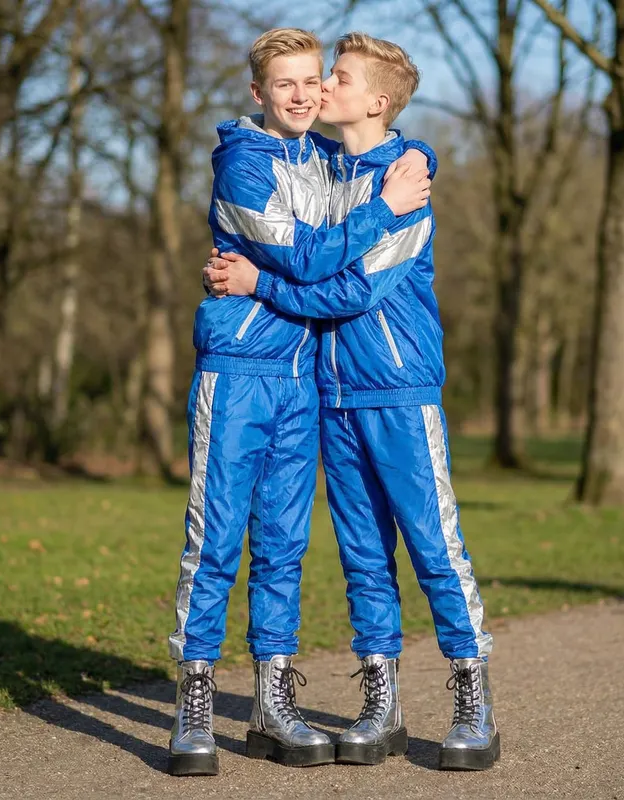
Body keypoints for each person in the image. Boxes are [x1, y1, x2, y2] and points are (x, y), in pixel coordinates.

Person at [205, 32, 500, 772]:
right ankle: (382, 701)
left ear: (375, 101)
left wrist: (258, 284)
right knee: (365, 560)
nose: (321, 86)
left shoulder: (409, 184)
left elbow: (350, 289)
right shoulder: (326, 172)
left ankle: (473, 697)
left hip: (399, 393)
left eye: (337, 75)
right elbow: (288, 229)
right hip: (328, 395)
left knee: (435, 549)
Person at [167, 27, 433, 777]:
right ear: (258, 94)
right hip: (238, 368)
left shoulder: (324, 159)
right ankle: (192, 701)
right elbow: (311, 259)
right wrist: (382, 208)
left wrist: (416, 165)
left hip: (305, 378)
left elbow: (388, 150)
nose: (303, 93)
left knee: (284, 548)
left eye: (314, 80)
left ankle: (272, 703)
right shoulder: (243, 166)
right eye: (285, 82)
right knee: (214, 539)